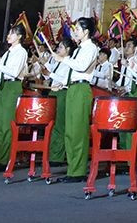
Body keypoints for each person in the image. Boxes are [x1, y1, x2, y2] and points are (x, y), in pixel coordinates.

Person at [55, 17, 99, 183]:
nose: (75, 32)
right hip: (72, 88)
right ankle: (72, 168)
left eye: (78, 29)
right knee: (70, 130)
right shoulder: (80, 48)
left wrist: (64, 59)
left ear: (86, 31)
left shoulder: (91, 48)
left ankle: (78, 171)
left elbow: (81, 66)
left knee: (78, 131)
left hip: (81, 89)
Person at [0, 24, 28, 171]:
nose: (8, 36)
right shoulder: (8, 52)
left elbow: (14, 72)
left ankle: (5, 160)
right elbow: (0, 73)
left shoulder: (21, 52)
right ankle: (0, 158)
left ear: (20, 36)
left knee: (6, 125)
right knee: (0, 125)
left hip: (12, 87)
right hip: (3, 86)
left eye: (12, 33)